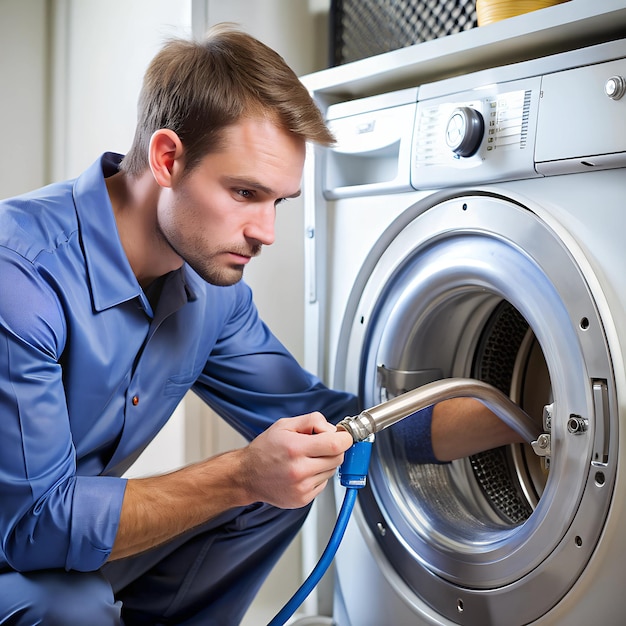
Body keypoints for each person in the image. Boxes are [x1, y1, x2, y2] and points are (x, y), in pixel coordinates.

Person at [0, 24, 522, 625]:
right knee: (72, 606)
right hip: (20, 543)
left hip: (51, 544)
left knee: (297, 466)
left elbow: (342, 425)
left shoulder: (211, 293)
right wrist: (242, 475)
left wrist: (531, 413)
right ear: (168, 159)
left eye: (279, 202)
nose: (265, 232)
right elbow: (35, 525)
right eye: (245, 192)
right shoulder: (22, 276)